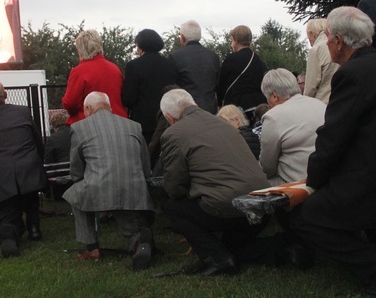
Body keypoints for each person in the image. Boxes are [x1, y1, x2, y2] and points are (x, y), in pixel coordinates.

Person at [287, 6, 376, 296]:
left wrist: (312, 184)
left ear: (339, 41)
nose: (326, 44)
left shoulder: (352, 74)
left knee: (304, 214)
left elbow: (334, 139)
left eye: (327, 38)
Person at [159, 89, 270, 275]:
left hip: (229, 207)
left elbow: (174, 187)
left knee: (172, 207)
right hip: (262, 205)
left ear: (170, 118)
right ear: (193, 103)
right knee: (235, 247)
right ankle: (283, 249)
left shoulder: (174, 133)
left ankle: (219, 259)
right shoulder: (223, 122)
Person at [62, 92, 155, 269]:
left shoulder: (79, 128)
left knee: (75, 194)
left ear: (88, 109)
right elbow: (145, 164)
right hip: (134, 187)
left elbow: (76, 169)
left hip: (98, 186)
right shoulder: (134, 126)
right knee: (127, 211)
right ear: (110, 107)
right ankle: (139, 240)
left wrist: (81, 180)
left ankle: (92, 247)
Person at [0, 80, 47, 258]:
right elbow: (37, 141)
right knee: (31, 197)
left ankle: (8, 231)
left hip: (0, 173)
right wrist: (38, 161)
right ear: (5, 95)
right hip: (28, 167)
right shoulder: (22, 112)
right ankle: (34, 227)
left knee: (7, 211)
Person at [259, 68, 326, 185]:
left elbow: (267, 167)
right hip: (330, 177)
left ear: (274, 96)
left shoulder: (272, 117)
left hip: (301, 184)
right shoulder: (320, 105)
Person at [121, 29, 178, 144]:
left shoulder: (134, 66)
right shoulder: (170, 64)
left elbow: (128, 99)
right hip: (167, 119)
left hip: (143, 122)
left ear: (141, 46)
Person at [62, 29, 127, 125]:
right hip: (118, 121)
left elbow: (70, 103)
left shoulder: (79, 71)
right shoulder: (114, 69)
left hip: (89, 123)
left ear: (80, 49)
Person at [168, 20, 221, 114]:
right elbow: (218, 84)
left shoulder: (175, 57)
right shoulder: (213, 56)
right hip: (210, 109)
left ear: (182, 38)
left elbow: (172, 85)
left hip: (186, 110)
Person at [216, 25, 267, 110]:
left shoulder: (231, 59)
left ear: (235, 41)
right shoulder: (257, 59)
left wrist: (219, 102)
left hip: (236, 104)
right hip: (257, 104)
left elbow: (222, 83)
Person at [303, 19, 338, 103]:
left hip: (322, 102)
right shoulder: (338, 44)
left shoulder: (316, 49)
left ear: (312, 33)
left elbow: (310, 86)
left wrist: (304, 102)